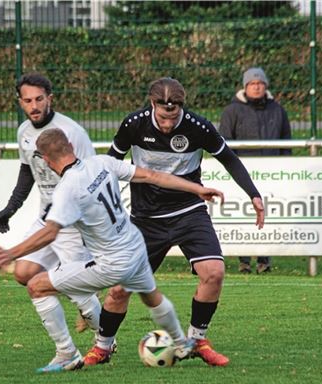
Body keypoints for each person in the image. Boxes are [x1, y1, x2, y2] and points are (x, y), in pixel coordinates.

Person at [0, 128, 225, 372]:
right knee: (152, 296)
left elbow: (49, 232)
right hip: (135, 247)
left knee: (37, 285)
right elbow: (153, 175)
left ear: (45, 160)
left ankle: (67, 353)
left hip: (112, 263)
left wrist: (10, 253)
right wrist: (197, 189)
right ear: (70, 144)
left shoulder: (67, 189)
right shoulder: (102, 162)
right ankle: (183, 344)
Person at [83, 77, 265, 368]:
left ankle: (196, 340)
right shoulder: (134, 124)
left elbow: (229, 159)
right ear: (152, 104)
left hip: (189, 211)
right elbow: (109, 165)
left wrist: (253, 195)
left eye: (173, 116)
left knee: (214, 272)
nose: (168, 124)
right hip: (145, 219)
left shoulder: (198, 126)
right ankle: (103, 347)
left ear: (182, 107)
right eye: (163, 116)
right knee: (119, 289)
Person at [0, 73, 100, 334]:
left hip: (74, 223)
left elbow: (93, 178)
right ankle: (78, 299)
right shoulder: (24, 132)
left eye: (39, 99)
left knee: (78, 287)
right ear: (20, 102)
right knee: (23, 272)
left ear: (50, 99)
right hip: (46, 218)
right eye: (28, 100)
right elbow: (28, 172)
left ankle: (105, 341)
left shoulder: (72, 132)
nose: (34, 106)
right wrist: (11, 208)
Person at [219, 67, 291, 274]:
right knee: (243, 212)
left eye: (260, 83)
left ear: (266, 86)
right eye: (252, 83)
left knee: (268, 212)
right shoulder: (232, 111)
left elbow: (286, 140)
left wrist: (286, 164)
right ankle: (244, 260)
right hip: (243, 174)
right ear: (245, 87)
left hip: (272, 172)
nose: (257, 86)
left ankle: (264, 259)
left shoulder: (277, 110)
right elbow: (224, 140)